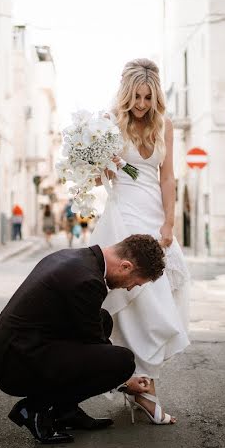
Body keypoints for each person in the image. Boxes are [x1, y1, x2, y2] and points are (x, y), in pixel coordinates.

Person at [0, 234, 166, 444]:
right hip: (16, 365)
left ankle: (65, 412)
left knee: (102, 320)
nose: (130, 288)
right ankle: (34, 409)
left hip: (15, 349)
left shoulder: (74, 258)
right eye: (135, 282)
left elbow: (90, 333)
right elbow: (95, 347)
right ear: (125, 266)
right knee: (122, 362)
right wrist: (125, 381)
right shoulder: (88, 280)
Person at [91, 58, 190, 425]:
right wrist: (106, 163)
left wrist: (169, 221)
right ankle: (141, 389)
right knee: (135, 302)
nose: (142, 104)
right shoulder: (111, 123)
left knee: (158, 301)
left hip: (153, 218)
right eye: (136, 97)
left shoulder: (165, 126)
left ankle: (142, 384)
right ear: (126, 94)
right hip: (123, 216)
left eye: (148, 97)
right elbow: (102, 178)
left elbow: (167, 179)